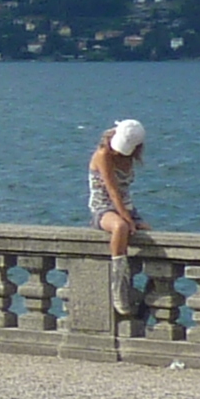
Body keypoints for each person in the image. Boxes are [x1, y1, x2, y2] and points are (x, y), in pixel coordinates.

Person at [86, 118, 151, 317]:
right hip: (103, 207)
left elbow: (124, 192)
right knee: (121, 228)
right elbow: (112, 190)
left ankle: (149, 288)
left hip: (126, 207)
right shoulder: (103, 154)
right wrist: (127, 219)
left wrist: (133, 216)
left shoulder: (129, 157)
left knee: (151, 236)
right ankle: (119, 286)